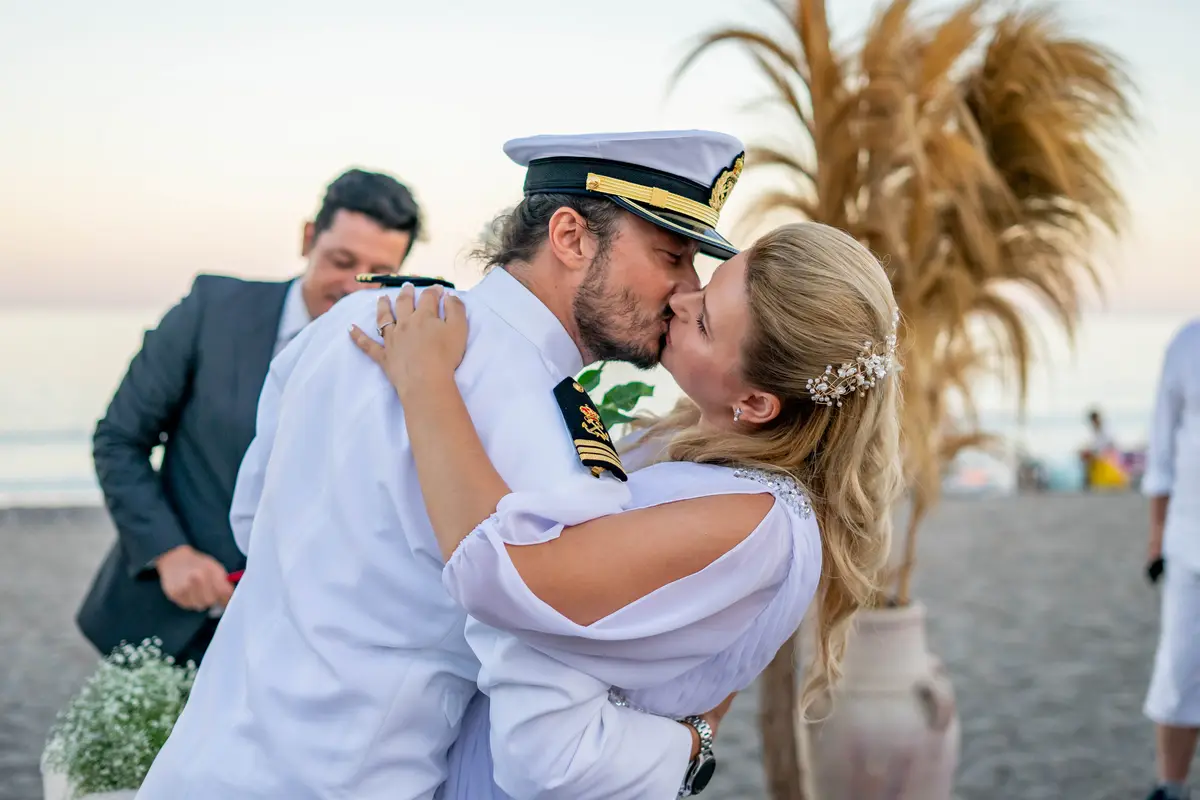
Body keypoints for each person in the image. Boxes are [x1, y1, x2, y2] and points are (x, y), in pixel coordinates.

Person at [136, 130, 751, 800]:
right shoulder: (557, 437)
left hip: (197, 766)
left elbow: (252, 519)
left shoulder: (362, 316)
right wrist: (693, 742)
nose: (688, 290)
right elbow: (549, 732)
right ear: (571, 237)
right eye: (672, 256)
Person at [350, 219, 902, 798]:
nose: (682, 300)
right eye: (707, 283)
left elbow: (497, 572)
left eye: (705, 322)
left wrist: (425, 379)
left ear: (757, 402)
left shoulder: (753, 519)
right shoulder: (710, 468)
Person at [77, 168, 425, 665]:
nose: (353, 286)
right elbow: (118, 439)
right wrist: (169, 552)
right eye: (341, 261)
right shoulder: (212, 310)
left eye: (377, 274)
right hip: (172, 621)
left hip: (303, 642)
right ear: (308, 238)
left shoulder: (399, 358)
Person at [1141, 318, 1200, 800]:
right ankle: (1171, 788)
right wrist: (1156, 538)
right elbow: (1162, 450)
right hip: (1188, 541)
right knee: (1178, 670)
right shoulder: (1186, 344)